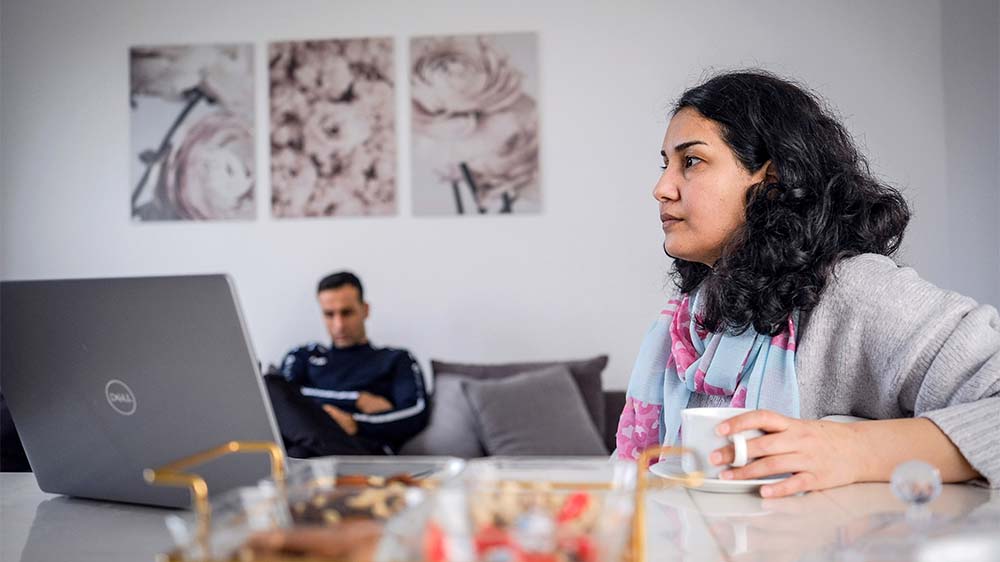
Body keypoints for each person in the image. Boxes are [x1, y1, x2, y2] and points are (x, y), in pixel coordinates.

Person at [616, 70, 1000, 498]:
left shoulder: (854, 292)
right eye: (665, 164)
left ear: (773, 177)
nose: (661, 188)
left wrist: (851, 450)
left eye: (691, 161)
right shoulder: (687, 325)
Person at [265, 271, 430, 457]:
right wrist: (355, 399)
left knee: (297, 455)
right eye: (329, 314)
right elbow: (286, 397)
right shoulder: (303, 356)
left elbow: (415, 414)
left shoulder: (396, 359)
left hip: (361, 450)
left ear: (365, 310)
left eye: (347, 313)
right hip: (306, 449)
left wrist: (355, 423)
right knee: (269, 386)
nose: (339, 325)